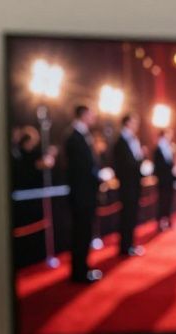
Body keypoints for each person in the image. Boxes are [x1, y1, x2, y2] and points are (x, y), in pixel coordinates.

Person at [63, 105, 102, 283]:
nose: (94, 116)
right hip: (81, 195)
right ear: (83, 114)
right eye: (91, 113)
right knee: (80, 233)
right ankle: (79, 272)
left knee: (84, 233)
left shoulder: (83, 136)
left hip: (86, 194)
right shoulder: (74, 137)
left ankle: (83, 268)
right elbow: (80, 168)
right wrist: (98, 176)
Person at [112, 113, 145, 258]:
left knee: (132, 216)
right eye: (134, 122)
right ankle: (125, 247)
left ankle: (130, 244)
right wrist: (139, 160)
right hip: (127, 185)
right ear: (127, 123)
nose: (136, 125)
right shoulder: (121, 141)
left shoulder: (133, 140)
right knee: (126, 216)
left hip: (134, 184)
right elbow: (125, 164)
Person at [152, 127, 176, 231]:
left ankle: (167, 219)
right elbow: (159, 166)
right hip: (163, 179)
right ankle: (161, 222)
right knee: (162, 200)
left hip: (169, 179)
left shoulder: (169, 147)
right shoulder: (159, 148)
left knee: (168, 200)